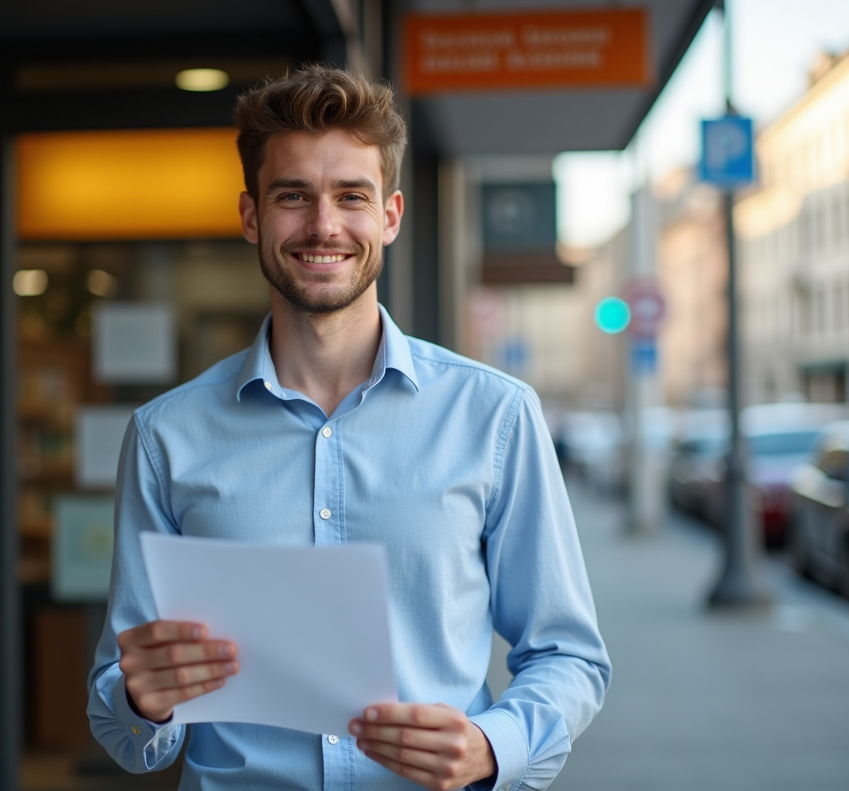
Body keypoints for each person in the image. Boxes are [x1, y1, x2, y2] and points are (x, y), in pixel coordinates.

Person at [87, 65, 610, 791]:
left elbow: (568, 654)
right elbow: (121, 714)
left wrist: (494, 746)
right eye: (293, 195)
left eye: (351, 197)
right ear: (250, 217)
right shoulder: (163, 437)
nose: (324, 225)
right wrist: (144, 698)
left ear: (390, 216)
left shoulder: (494, 415)